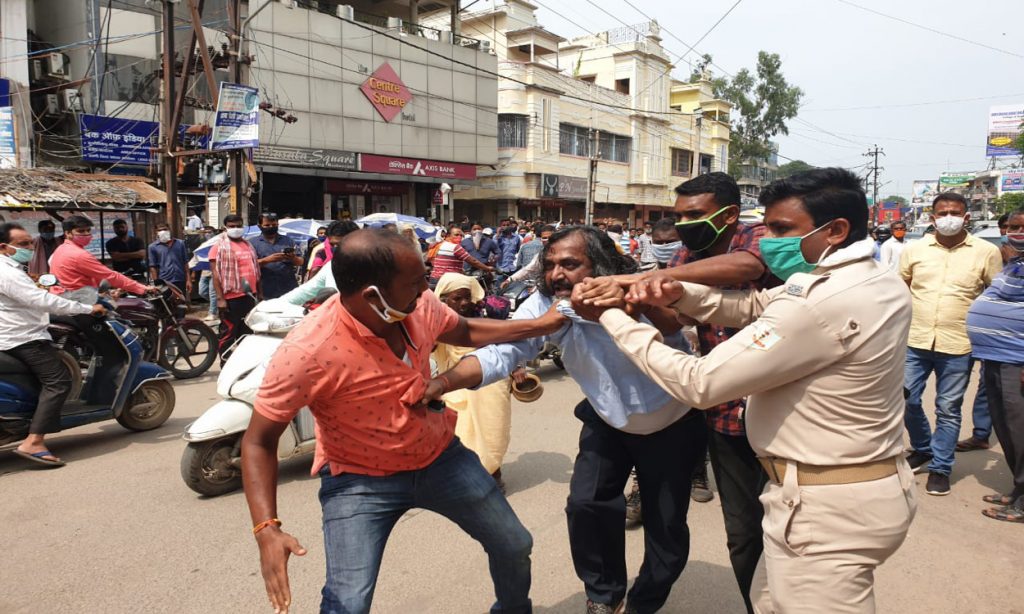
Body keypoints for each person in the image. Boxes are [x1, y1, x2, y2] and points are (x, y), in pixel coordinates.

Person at [577, 167, 917, 613]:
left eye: (781, 229)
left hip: (827, 507)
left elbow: (700, 383)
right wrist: (679, 293)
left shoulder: (820, 303)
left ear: (835, 230)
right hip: (844, 488)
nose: (768, 241)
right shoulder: (868, 278)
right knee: (766, 596)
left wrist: (610, 317)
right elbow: (756, 304)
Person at [241, 229, 567, 614]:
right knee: (348, 603)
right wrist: (266, 529)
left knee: (514, 544)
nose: (426, 290)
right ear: (372, 296)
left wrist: (540, 325)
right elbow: (258, 442)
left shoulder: (419, 304)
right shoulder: (307, 352)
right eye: (415, 283)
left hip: (442, 459)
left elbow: (465, 330)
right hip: (359, 480)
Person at [426, 227, 705, 614]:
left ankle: (644, 602)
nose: (557, 274)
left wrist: (630, 303)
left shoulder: (638, 292)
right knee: (586, 506)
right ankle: (604, 595)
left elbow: (676, 325)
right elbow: (504, 352)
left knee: (667, 527)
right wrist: (442, 383)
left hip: (673, 422)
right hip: (607, 419)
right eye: (550, 264)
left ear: (601, 266)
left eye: (570, 264)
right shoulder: (546, 302)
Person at [606, 172, 777, 611]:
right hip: (725, 411)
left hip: (777, 406)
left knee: (790, 527)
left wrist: (656, 276)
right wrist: (642, 303)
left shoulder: (759, 236)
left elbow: (747, 267)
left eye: (694, 215)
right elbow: (677, 321)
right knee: (743, 532)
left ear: (730, 214)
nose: (683, 225)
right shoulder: (689, 253)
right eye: (678, 216)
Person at [900, 192, 1003, 495]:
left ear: (966, 217)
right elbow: (900, 288)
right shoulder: (914, 250)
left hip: (959, 344)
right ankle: (922, 447)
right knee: (906, 400)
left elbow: (995, 296)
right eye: (943, 212)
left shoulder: (986, 252)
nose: (949, 218)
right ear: (932, 218)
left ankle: (941, 467)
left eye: (955, 213)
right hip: (915, 339)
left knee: (948, 408)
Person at [0, 223, 106, 467]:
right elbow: (41, 300)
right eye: (23, 244)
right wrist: (87, 308)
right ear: (4, 247)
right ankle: (34, 441)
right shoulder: (8, 272)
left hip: (11, 334)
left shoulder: (12, 269)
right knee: (59, 382)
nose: (30, 248)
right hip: (23, 338)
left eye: (30, 242)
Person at [433, 272, 525, 492]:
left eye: (467, 297)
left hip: (491, 383)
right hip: (455, 384)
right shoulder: (436, 322)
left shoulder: (488, 314)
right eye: (457, 298)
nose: (464, 303)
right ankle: (468, 477)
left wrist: (517, 366)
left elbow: (508, 342)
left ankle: (494, 474)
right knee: (459, 431)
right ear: (444, 299)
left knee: (493, 429)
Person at [965, 208, 1024, 523]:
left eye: (1022, 228)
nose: (1015, 233)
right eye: (1012, 226)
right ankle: (1019, 489)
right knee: (1005, 428)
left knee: (1020, 430)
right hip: (996, 357)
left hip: (1018, 360)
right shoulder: (1013, 264)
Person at [49, 215, 152, 295]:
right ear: (68, 233)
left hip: (68, 297)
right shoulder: (79, 255)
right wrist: (143, 288)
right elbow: (110, 275)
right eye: (81, 231)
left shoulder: (60, 249)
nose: (86, 234)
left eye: (88, 230)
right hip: (79, 301)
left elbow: (95, 275)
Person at [210, 214, 261, 362]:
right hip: (230, 298)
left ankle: (243, 363)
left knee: (246, 333)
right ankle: (225, 363)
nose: (236, 229)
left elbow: (255, 270)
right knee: (228, 332)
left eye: (239, 226)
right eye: (232, 226)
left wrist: (259, 292)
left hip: (249, 295)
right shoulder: (218, 247)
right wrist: (220, 299)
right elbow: (215, 275)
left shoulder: (248, 245)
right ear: (225, 227)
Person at [278, 221, 360, 305]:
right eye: (332, 245)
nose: (335, 248)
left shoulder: (367, 267)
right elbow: (304, 292)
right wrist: (274, 305)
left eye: (339, 244)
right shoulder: (331, 266)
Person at [251, 213, 302, 300]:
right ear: (259, 226)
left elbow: (300, 262)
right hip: (265, 289)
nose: (271, 227)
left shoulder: (288, 240)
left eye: (274, 225)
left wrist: (293, 257)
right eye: (267, 225)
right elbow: (249, 266)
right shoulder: (252, 243)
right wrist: (267, 260)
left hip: (288, 288)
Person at [428, 225, 493, 286]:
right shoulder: (456, 247)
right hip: (448, 281)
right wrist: (487, 268)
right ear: (448, 235)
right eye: (456, 235)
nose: (459, 237)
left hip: (434, 278)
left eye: (461, 235)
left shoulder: (441, 245)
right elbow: (473, 261)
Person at [148, 222, 191, 294]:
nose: (163, 232)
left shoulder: (180, 243)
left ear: (169, 230)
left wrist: (188, 280)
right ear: (156, 232)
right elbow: (153, 267)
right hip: (164, 281)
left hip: (180, 279)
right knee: (167, 300)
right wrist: (156, 284)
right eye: (160, 230)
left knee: (181, 299)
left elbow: (185, 262)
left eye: (165, 229)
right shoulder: (153, 247)